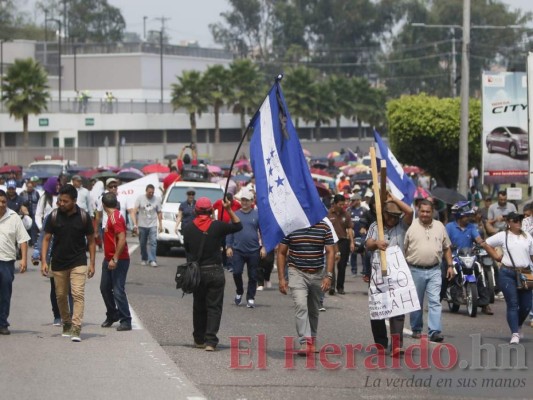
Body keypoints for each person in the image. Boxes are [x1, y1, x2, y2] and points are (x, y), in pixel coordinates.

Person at [182, 197, 242, 352]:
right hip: (215, 270)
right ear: (211, 211)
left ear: (195, 211)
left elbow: (187, 250)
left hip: (197, 272)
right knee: (214, 307)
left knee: (199, 306)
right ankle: (210, 341)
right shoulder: (217, 226)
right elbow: (238, 225)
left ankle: (199, 338)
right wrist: (228, 209)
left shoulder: (188, 228)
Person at [41, 184, 95, 342]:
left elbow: (91, 242)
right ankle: (66, 322)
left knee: (77, 294)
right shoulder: (54, 216)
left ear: (74, 201)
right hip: (58, 262)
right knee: (60, 295)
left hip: (78, 261)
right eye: (60, 201)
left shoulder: (84, 216)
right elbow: (46, 238)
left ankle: (76, 327)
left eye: (65, 201)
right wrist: (44, 261)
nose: (61, 204)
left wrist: (92, 263)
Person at [277, 220, 336, 354]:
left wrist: (329, 276)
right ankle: (305, 342)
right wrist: (281, 278)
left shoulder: (324, 227)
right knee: (301, 305)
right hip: (297, 271)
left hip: (317, 273)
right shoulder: (291, 226)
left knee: (313, 309)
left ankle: (312, 339)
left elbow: (330, 251)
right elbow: (281, 252)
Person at [365, 195, 413, 356]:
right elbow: (368, 244)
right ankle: (381, 343)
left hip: (398, 273)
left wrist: (393, 199)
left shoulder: (402, 225)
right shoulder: (375, 226)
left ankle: (397, 344)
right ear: (383, 214)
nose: (393, 219)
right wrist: (376, 243)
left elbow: (410, 211)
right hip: (378, 274)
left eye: (396, 216)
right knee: (378, 309)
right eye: (391, 216)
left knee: (398, 309)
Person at [404, 199, 454, 343]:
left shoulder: (439, 226)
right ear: (418, 211)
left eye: (428, 212)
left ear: (433, 212)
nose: (425, 214)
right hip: (415, 270)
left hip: (434, 270)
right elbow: (403, 248)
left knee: (435, 301)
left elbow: (446, 247)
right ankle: (416, 328)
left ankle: (435, 331)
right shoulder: (411, 226)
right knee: (416, 302)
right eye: (422, 211)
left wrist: (450, 265)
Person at [482, 212, 533, 344]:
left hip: (525, 274)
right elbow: (486, 244)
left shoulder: (527, 236)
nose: (518, 222)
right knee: (513, 304)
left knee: (527, 305)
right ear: (508, 223)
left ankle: (518, 324)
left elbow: (532, 256)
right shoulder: (503, 235)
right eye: (515, 220)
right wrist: (497, 257)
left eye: (520, 220)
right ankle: (515, 333)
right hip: (507, 273)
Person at [445, 201, 493, 315]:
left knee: (480, 274)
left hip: (469, 256)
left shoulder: (471, 227)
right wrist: (449, 246)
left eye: (468, 215)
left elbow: (478, 239)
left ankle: (485, 304)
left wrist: (482, 243)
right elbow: (444, 241)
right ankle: (441, 296)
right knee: (446, 274)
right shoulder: (449, 227)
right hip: (454, 257)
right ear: (459, 216)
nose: (468, 218)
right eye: (466, 216)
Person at [226, 190, 265, 308]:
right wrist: (228, 246)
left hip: (254, 250)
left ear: (252, 202)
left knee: (253, 275)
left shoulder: (257, 215)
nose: (244, 202)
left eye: (247, 200)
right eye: (243, 200)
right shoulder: (235, 214)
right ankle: (239, 291)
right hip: (238, 249)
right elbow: (230, 232)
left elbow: (263, 232)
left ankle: (250, 297)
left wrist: (264, 247)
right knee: (236, 272)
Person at [100, 192, 132, 331]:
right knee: (104, 287)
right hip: (109, 258)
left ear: (103, 205)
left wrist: (115, 258)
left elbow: (122, 238)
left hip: (118, 259)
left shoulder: (115, 218)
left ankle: (126, 320)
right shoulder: (111, 217)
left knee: (118, 290)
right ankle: (112, 314)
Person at [0, 190, 30, 335]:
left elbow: (22, 239)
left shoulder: (13, 217)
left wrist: (24, 259)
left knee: (5, 294)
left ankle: (2, 323)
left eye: (3, 202)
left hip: (7, 261)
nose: (1, 205)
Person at [326, 194, 355, 295]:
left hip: (343, 241)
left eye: (343, 204)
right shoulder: (328, 214)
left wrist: (352, 242)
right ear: (334, 204)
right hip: (331, 241)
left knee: (342, 265)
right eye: (340, 204)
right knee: (331, 264)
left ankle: (340, 286)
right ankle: (331, 286)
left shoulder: (346, 214)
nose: (342, 206)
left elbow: (350, 228)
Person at [129, 184, 163, 267]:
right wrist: (135, 224)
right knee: (142, 243)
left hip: (153, 224)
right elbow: (134, 211)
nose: (151, 194)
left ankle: (152, 260)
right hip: (142, 225)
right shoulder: (140, 198)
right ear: (146, 191)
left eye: (152, 192)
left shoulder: (157, 199)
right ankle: (144, 258)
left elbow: (159, 212)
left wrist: (160, 224)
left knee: (153, 242)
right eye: (149, 192)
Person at [348, 192, 366, 275]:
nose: (352, 202)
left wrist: (365, 228)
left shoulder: (364, 210)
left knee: (363, 252)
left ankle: (365, 270)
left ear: (358, 200)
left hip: (362, 235)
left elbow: (368, 222)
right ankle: (354, 270)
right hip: (353, 234)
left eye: (354, 200)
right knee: (353, 252)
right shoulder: (349, 210)